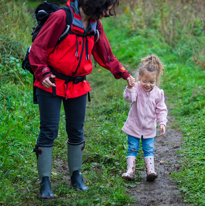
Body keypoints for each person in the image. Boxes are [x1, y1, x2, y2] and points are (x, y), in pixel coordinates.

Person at [29, 0, 135, 199]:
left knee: (76, 131)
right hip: (50, 82)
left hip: (78, 86)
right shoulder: (62, 17)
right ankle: (45, 182)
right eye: (107, 7)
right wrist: (42, 73)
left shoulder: (95, 26)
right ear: (97, 3)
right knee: (49, 131)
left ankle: (76, 176)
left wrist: (123, 73)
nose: (108, 12)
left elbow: (106, 56)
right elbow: (38, 48)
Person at [121, 54, 168, 182]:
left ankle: (150, 171)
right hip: (134, 126)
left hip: (149, 128)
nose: (148, 85)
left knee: (149, 149)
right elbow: (128, 98)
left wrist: (162, 122)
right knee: (132, 147)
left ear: (156, 80)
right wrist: (130, 88)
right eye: (144, 81)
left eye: (152, 82)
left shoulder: (158, 93)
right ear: (139, 78)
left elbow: (161, 109)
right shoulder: (135, 88)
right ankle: (130, 171)